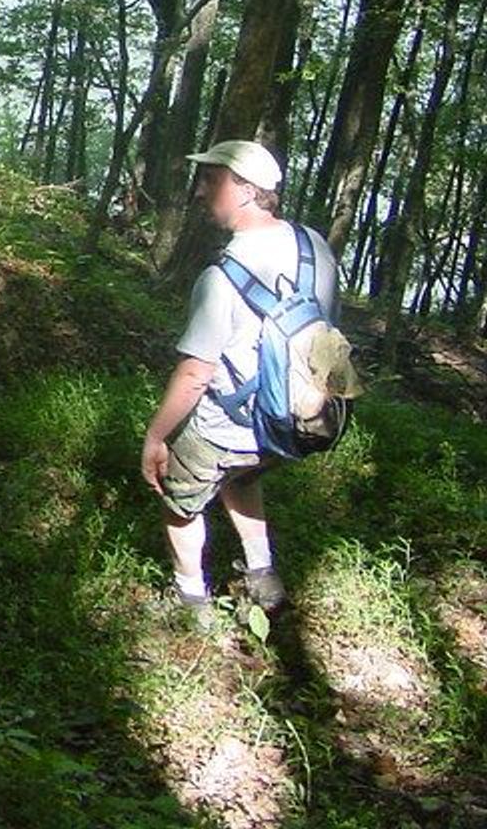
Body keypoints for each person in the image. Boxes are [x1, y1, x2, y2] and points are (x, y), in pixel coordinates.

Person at [139, 138, 340, 622]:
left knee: (179, 499)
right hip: (301, 420)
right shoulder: (314, 245)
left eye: (213, 179)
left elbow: (194, 374)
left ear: (247, 190)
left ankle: (191, 603)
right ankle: (263, 578)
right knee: (243, 473)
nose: (202, 191)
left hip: (229, 423)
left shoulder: (222, 275)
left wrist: (155, 436)